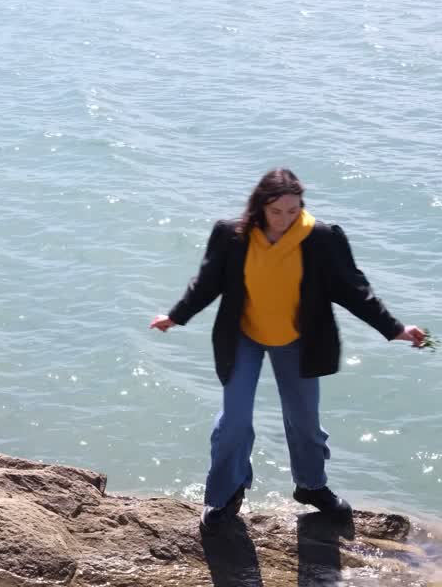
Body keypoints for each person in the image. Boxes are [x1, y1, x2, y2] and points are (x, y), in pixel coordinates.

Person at [149, 168, 424, 531]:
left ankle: (311, 487)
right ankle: (224, 496)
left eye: (292, 211)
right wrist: (175, 316)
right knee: (234, 421)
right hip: (243, 336)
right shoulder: (232, 235)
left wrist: (395, 329)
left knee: (305, 423)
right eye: (276, 212)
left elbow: (352, 289)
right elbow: (206, 283)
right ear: (260, 206)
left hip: (297, 340)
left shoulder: (321, 237)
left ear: (301, 206)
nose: (284, 220)